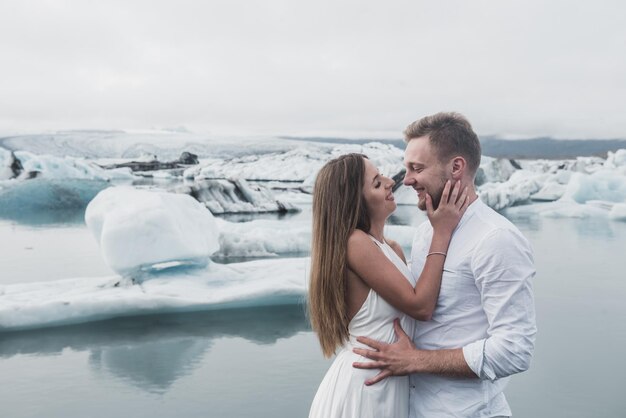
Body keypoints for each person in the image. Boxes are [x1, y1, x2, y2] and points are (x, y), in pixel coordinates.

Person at [353, 112, 537, 418]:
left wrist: (416, 360)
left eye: (417, 168)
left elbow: (514, 350)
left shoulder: (496, 239)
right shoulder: (428, 231)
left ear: (456, 167)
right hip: (412, 408)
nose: (406, 179)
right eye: (406, 168)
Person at [308, 153, 469, 418]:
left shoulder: (391, 248)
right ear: (354, 203)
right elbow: (421, 306)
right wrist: (442, 232)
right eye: (375, 183)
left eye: (381, 174)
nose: (389, 182)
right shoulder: (355, 243)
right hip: (364, 388)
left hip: (387, 383)